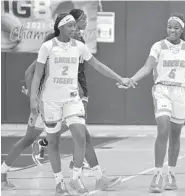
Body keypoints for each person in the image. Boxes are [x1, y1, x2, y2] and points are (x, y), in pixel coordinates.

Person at [29, 13, 135, 195]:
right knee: (53, 144)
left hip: (72, 98)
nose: (75, 29)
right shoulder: (47, 47)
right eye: (70, 25)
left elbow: (98, 65)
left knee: (80, 135)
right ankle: (59, 183)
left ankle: (75, 178)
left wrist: (120, 78)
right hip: (51, 101)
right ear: (60, 27)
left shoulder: (79, 47)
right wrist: (33, 99)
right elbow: (37, 74)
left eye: (75, 26)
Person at [128, 13, 185, 193]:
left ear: (182, 30)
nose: (172, 30)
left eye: (176, 28)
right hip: (162, 90)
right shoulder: (158, 46)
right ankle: (157, 174)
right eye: (169, 27)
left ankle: (171, 174)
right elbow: (147, 67)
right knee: (163, 128)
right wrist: (132, 79)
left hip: (181, 93)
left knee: (175, 136)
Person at [32, 8, 90, 170]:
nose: (86, 22)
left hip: (77, 86)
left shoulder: (80, 42)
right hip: (59, 91)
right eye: (83, 19)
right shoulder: (51, 44)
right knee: (79, 127)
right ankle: (47, 143)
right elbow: (36, 71)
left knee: (79, 125)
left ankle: (75, 161)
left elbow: (89, 65)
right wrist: (34, 95)